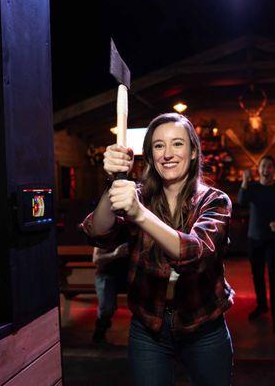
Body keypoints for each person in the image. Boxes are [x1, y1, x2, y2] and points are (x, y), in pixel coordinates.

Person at [80, 113, 234, 386]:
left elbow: (194, 252)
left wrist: (138, 214)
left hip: (203, 325)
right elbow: (98, 232)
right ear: (150, 155)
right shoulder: (139, 195)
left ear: (194, 151)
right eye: (159, 146)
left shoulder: (215, 201)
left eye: (177, 144)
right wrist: (113, 183)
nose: (168, 154)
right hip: (148, 327)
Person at [237, 156, 275, 334]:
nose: (266, 169)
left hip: (273, 239)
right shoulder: (254, 187)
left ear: (274, 169)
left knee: (274, 277)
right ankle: (262, 306)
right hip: (254, 238)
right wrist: (244, 181)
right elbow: (241, 201)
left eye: (270, 166)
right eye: (263, 166)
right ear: (259, 169)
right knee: (257, 274)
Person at [91, 244, 129, 343]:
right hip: (106, 274)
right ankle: (100, 331)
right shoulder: (106, 232)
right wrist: (115, 254)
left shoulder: (134, 232)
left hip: (129, 275)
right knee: (107, 308)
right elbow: (96, 259)